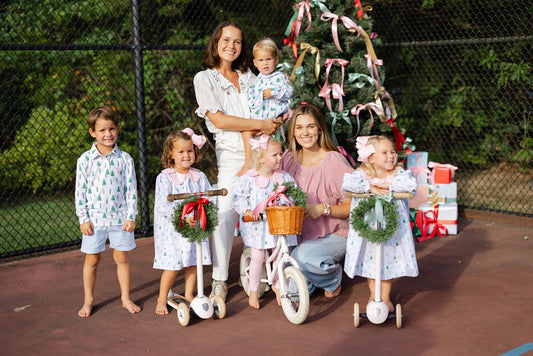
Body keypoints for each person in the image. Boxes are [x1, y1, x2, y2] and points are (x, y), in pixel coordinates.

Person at [193, 21, 281, 301]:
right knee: (225, 210)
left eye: (238, 42)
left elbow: (270, 106)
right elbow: (219, 119)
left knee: (272, 202)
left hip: (262, 149)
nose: (231, 46)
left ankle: (268, 267)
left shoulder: (249, 77)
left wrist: (273, 121)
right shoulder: (204, 79)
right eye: (226, 40)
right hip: (231, 153)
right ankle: (219, 278)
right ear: (216, 43)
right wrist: (260, 123)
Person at [281, 104, 354, 297]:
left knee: (301, 257)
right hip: (298, 236)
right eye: (299, 127)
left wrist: (322, 209)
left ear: (320, 129)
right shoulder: (288, 159)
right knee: (291, 291)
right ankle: (314, 277)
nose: (305, 132)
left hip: (336, 233)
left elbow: (354, 206)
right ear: (293, 132)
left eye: (310, 126)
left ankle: (333, 278)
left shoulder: (334, 161)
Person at [75, 106, 141, 317]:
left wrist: (131, 216)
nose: (108, 134)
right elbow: (80, 191)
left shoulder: (125, 159)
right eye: (102, 130)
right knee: (92, 260)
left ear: (118, 129)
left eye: (111, 129)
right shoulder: (85, 160)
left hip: (120, 220)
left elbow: (132, 189)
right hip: (94, 222)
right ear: (92, 132)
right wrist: (83, 219)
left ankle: (125, 298)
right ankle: (88, 300)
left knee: (121, 258)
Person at [342, 135, 418, 312]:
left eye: (392, 152)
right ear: (372, 157)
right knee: (372, 260)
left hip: (392, 230)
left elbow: (409, 184)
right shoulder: (363, 175)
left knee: (387, 260)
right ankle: (373, 295)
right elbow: (348, 184)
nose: (391, 156)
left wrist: (389, 185)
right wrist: (370, 188)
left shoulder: (398, 174)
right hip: (369, 227)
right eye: (384, 152)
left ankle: (385, 297)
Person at [232, 135, 297, 309]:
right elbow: (238, 197)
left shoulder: (284, 177)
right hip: (257, 226)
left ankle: (278, 286)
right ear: (261, 158)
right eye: (275, 155)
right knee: (258, 256)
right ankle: (254, 290)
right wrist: (246, 211)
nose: (280, 158)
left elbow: (293, 195)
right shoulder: (250, 178)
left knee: (279, 255)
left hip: (278, 223)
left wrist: (292, 206)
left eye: (280, 154)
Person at [153, 129, 212, 315]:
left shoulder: (199, 176)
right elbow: (163, 205)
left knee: (194, 262)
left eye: (190, 151)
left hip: (194, 226)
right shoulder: (165, 178)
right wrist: (182, 218)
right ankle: (162, 298)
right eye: (181, 152)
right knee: (173, 264)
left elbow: (208, 197)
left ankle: (189, 293)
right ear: (171, 153)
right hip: (173, 230)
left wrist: (205, 214)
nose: (186, 155)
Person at [238, 38, 293, 176]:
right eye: (261, 60)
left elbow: (288, 92)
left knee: (272, 148)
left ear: (276, 59)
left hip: (273, 118)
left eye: (268, 59)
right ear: (255, 63)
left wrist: (272, 92)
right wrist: (256, 96)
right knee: (259, 146)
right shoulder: (258, 80)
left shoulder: (279, 77)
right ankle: (257, 169)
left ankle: (264, 170)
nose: (265, 63)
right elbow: (253, 100)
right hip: (261, 119)